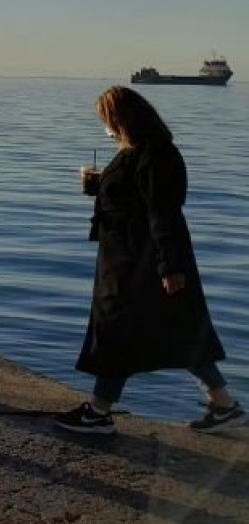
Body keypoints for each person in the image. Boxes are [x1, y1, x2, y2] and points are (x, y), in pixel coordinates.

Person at [55, 87, 240, 434]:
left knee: (116, 330)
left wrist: (170, 266)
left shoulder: (156, 154)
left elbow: (163, 212)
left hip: (138, 263)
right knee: (179, 331)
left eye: (107, 121)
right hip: (132, 258)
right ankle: (224, 405)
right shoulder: (138, 152)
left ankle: (98, 412)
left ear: (123, 119)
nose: (105, 128)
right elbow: (135, 199)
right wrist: (99, 188)